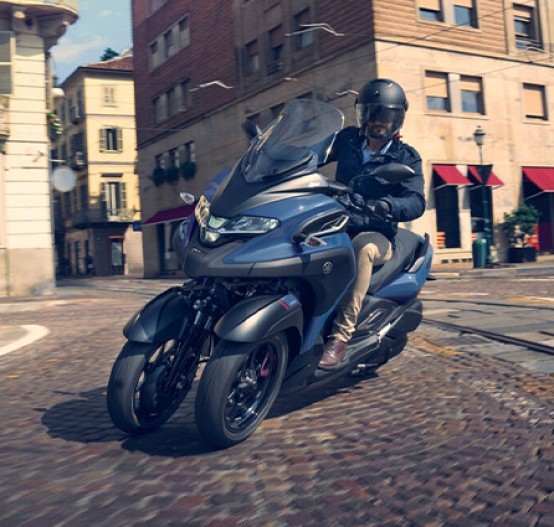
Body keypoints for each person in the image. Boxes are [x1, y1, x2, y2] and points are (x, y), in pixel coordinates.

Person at [318, 78, 426, 370]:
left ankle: (340, 335)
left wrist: (388, 205)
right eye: (374, 114)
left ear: (397, 119)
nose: (379, 122)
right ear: (363, 114)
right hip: (337, 222)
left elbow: (416, 201)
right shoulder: (348, 140)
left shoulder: (406, 157)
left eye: (387, 116)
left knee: (362, 249)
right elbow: (312, 156)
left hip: (376, 233)